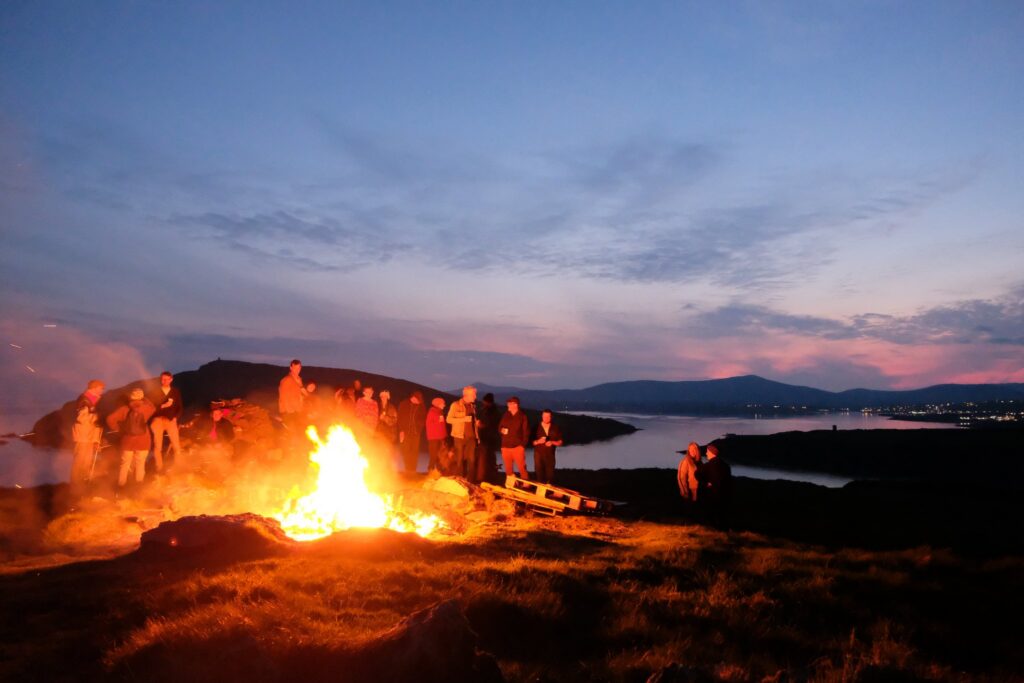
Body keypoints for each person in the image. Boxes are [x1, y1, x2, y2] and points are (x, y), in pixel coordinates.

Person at [106, 387, 156, 489]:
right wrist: (144, 398)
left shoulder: (124, 409)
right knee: (140, 464)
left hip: (127, 441)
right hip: (143, 441)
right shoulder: (147, 408)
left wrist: (119, 429)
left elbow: (110, 419)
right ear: (141, 397)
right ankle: (138, 486)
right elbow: (153, 407)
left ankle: (121, 486)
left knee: (125, 464)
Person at [70, 379, 104, 497]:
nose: (102, 391)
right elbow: (81, 418)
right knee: (79, 460)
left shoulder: (93, 400)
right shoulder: (84, 400)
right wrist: (96, 418)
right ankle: (75, 487)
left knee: (87, 461)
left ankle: (83, 485)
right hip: (83, 435)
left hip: (89, 435)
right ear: (94, 388)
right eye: (100, 388)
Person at [148, 371, 183, 473]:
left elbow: (180, 406)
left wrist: (176, 417)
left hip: (171, 420)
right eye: (163, 379)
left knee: (176, 445)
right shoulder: (155, 391)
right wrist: (162, 406)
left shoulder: (175, 392)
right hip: (157, 420)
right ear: (161, 379)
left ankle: (178, 467)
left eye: (167, 379)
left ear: (171, 379)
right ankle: (159, 467)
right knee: (157, 446)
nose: (165, 381)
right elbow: (151, 408)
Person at [696, 444, 733, 528]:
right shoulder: (725, 465)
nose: (706, 453)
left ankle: (713, 528)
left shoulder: (708, 465)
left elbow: (697, 473)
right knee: (722, 514)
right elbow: (729, 480)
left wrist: (705, 483)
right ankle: (722, 529)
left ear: (712, 453)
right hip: (725, 495)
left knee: (711, 512)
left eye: (707, 452)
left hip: (712, 494)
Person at [446, 386, 478, 479]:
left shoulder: (473, 406)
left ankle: (471, 481)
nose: (475, 396)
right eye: (474, 394)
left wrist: (477, 424)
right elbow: (449, 419)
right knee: (459, 460)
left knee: (472, 460)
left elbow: (472, 421)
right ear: (467, 395)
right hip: (459, 437)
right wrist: (463, 419)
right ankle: (460, 479)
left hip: (471, 437)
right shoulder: (455, 405)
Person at [498, 396, 530, 481]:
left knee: (522, 468)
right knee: (508, 470)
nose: (507, 405)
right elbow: (499, 427)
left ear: (515, 405)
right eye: (508, 403)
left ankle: (526, 485)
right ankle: (511, 485)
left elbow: (526, 431)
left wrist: (522, 446)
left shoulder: (522, 416)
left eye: (509, 404)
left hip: (517, 447)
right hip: (505, 446)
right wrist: (502, 430)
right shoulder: (506, 415)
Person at [532, 409, 564, 484]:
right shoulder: (536, 427)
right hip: (538, 454)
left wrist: (552, 442)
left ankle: (549, 491)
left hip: (550, 455)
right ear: (542, 416)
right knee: (539, 474)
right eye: (544, 416)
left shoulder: (555, 427)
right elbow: (532, 442)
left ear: (551, 417)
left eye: (548, 416)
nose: (546, 418)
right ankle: (540, 492)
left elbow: (560, 442)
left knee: (550, 475)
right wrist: (538, 441)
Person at [397, 390, 426, 473]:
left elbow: (423, 418)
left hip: (416, 433)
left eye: (419, 401)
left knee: (414, 452)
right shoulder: (404, 404)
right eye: (417, 400)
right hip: (405, 432)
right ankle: (407, 469)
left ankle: (413, 470)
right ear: (413, 398)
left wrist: (419, 427)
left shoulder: (421, 406)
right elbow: (400, 417)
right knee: (406, 451)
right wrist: (401, 430)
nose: (418, 402)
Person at [475, 393, 500, 483]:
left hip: (487, 438)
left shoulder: (490, 411)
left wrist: (481, 425)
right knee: (489, 458)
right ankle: (489, 476)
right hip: (488, 438)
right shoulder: (491, 410)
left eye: (484, 401)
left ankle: (482, 478)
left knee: (484, 459)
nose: (483, 403)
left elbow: (491, 424)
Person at [278, 359, 308, 436]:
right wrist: (285, 412)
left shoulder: (299, 380)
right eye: (295, 368)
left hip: (298, 410)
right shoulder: (286, 380)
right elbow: (283, 397)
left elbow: (301, 394)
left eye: (299, 368)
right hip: (289, 412)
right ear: (291, 368)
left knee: (298, 433)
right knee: (291, 433)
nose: (297, 370)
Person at [425, 397, 448, 474]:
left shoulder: (440, 412)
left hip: (440, 438)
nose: (444, 405)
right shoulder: (432, 412)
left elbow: (442, 426)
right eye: (443, 403)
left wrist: (444, 436)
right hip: (434, 438)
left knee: (439, 456)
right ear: (438, 404)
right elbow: (429, 425)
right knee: (433, 455)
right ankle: (430, 471)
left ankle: (439, 472)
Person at [377, 389, 399, 459]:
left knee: (387, 454)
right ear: (380, 397)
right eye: (382, 396)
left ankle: (387, 468)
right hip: (378, 433)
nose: (383, 398)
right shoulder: (377, 406)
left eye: (385, 396)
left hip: (389, 434)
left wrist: (385, 418)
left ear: (388, 397)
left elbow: (395, 420)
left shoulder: (391, 408)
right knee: (378, 452)